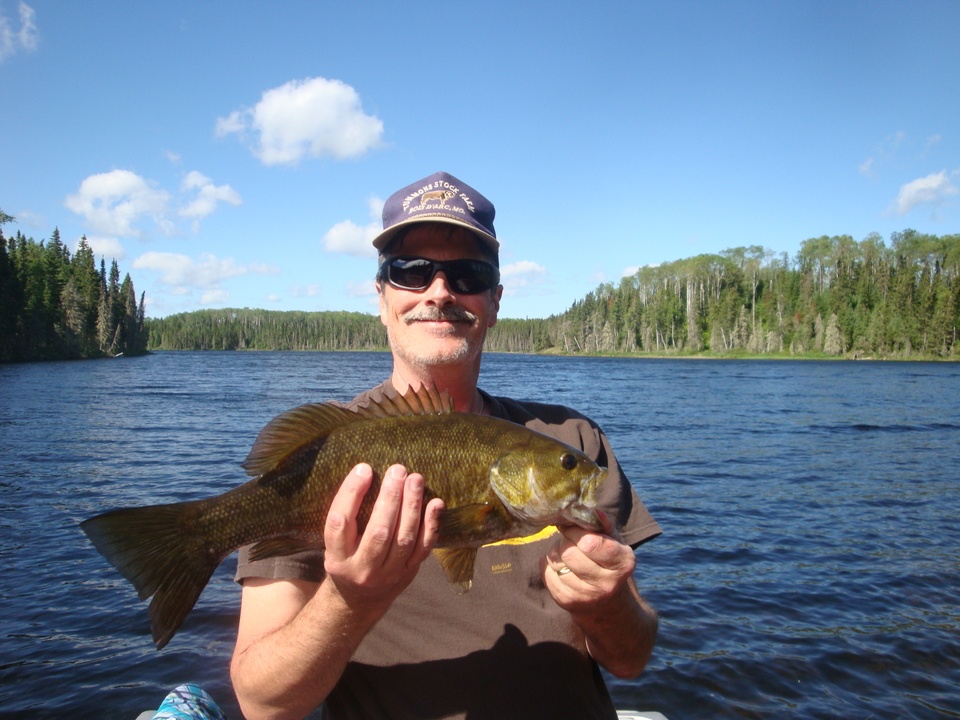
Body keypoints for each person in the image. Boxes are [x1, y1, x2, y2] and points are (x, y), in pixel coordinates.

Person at [230, 171, 662, 720]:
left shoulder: (573, 439)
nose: (440, 291)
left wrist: (609, 604)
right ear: (382, 296)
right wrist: (349, 600)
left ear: (494, 300)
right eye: (411, 272)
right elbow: (262, 704)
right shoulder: (323, 452)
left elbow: (632, 659)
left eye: (467, 274)